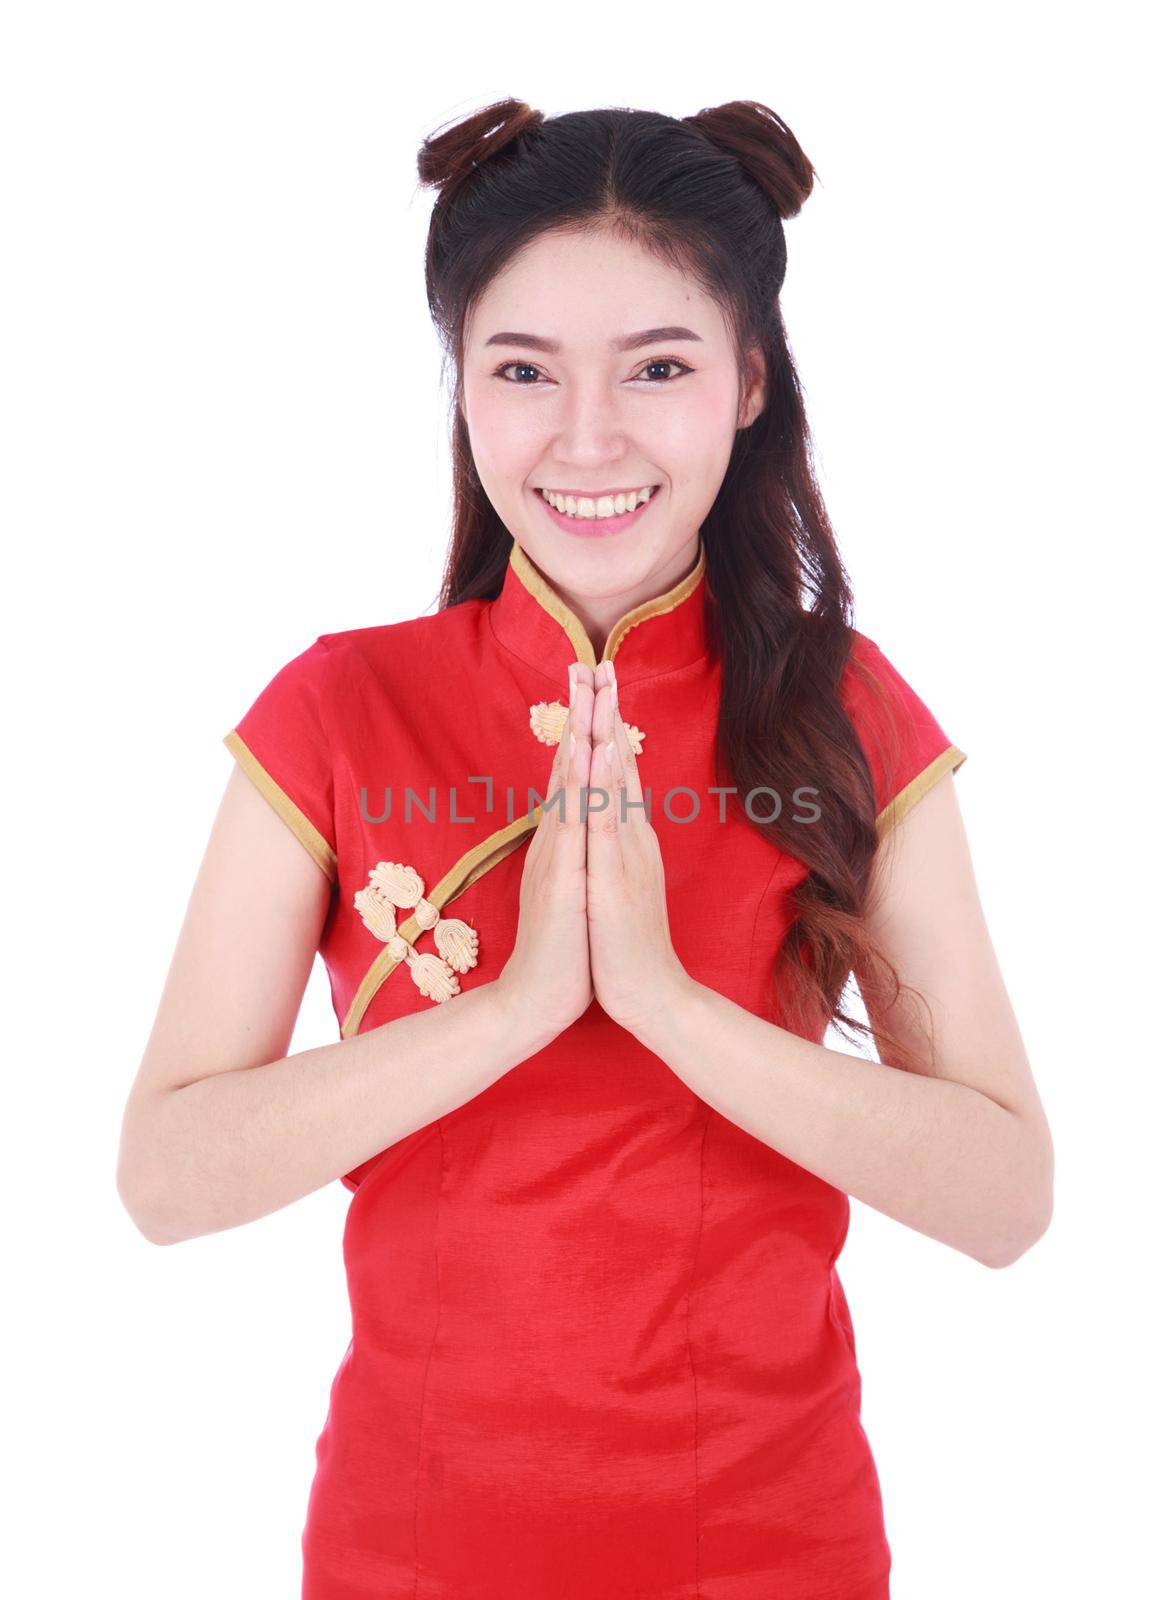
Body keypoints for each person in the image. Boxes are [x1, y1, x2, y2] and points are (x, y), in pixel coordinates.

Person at [116, 99, 1054, 1600]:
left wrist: (669, 1009)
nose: (588, 438)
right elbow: (166, 1177)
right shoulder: (337, 710)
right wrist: (518, 1009)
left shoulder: (845, 713)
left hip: (773, 1548)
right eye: (522, 372)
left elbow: (1004, 1196)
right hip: (408, 1548)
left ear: (750, 382)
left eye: (659, 368)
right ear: (462, 390)